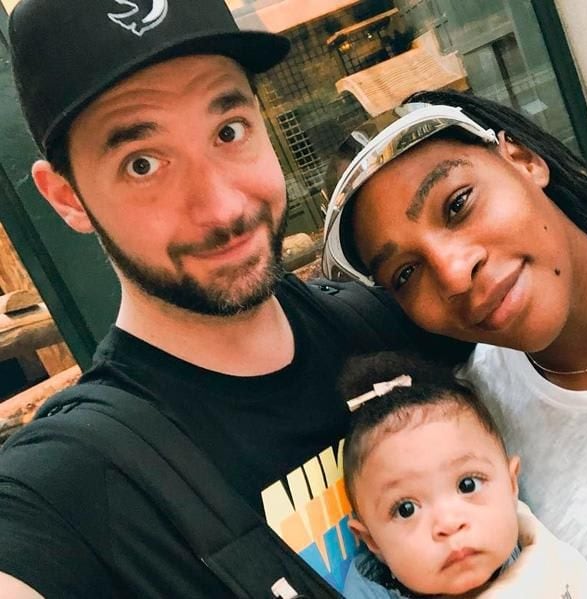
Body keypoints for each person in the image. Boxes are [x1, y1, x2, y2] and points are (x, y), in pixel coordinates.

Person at [0, 2, 468, 597]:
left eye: (228, 131)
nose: (222, 208)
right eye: (143, 164)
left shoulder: (388, 325)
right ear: (66, 197)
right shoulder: (74, 484)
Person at [322, 90, 587, 579]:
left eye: (458, 204)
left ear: (523, 159)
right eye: (406, 274)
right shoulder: (467, 426)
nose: (452, 273)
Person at [338, 351, 587, 598]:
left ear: (511, 484)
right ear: (372, 541)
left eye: (468, 485)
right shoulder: (368, 592)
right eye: (406, 509)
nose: (449, 524)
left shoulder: (542, 554)